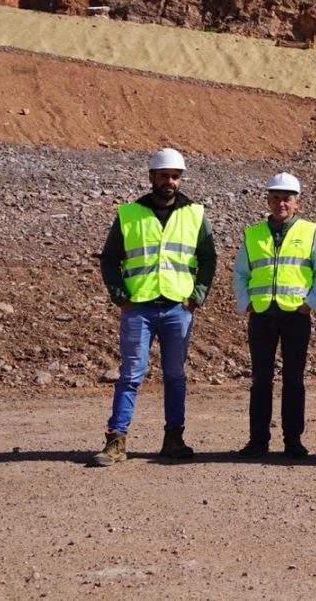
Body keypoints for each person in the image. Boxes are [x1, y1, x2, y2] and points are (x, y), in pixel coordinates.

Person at [91, 148, 217, 467]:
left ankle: (174, 438)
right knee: (131, 374)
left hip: (178, 307)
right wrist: (120, 295)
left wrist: (197, 295)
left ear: (180, 179)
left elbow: (208, 259)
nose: (169, 182)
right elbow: (109, 259)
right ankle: (116, 440)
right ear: (151, 177)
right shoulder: (129, 214)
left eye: (175, 176)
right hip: (139, 308)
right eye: (164, 176)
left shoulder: (195, 214)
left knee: (175, 375)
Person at [233, 173, 316, 460]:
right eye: (276, 198)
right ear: (268, 200)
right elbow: (240, 272)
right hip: (262, 315)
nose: (281, 203)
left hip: (295, 315)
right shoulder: (253, 234)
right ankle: (258, 440)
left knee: (294, 379)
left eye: (287, 198)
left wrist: (310, 303)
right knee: (261, 379)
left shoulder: (312, 232)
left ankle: (293, 440)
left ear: (297, 202)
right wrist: (245, 301)